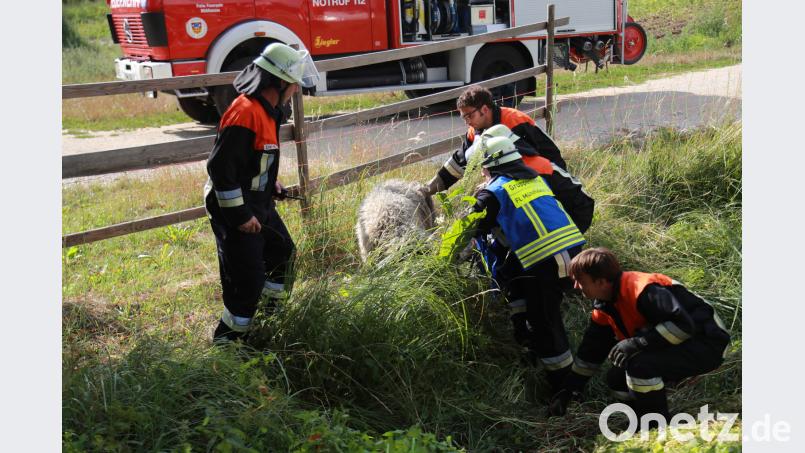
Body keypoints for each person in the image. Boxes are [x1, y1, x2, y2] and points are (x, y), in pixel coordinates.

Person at [445, 135, 587, 392]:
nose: (481, 172)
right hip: (570, 252)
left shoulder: (493, 192)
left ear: (488, 165)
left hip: (547, 258)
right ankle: (534, 352)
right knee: (537, 308)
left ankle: (565, 390)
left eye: (481, 167)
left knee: (546, 323)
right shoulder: (532, 178)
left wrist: (442, 259)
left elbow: (463, 232)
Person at [203, 42, 319, 343]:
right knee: (248, 281)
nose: (295, 90)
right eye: (293, 84)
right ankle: (228, 348)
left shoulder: (268, 111)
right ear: (279, 82)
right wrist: (240, 216)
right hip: (235, 209)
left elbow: (253, 160)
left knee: (283, 254)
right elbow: (220, 170)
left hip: (258, 202)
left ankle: (268, 325)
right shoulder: (246, 113)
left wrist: (271, 183)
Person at [549, 247, 731, 420]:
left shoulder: (643, 290)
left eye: (580, 281)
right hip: (684, 344)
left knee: (640, 366)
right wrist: (569, 389)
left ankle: (656, 426)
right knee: (616, 379)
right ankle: (640, 419)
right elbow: (591, 352)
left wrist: (638, 343)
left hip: (709, 344)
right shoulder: (605, 305)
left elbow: (683, 327)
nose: (576, 286)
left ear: (601, 282)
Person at [425, 85, 567, 196]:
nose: (467, 122)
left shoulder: (515, 121)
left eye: (469, 116)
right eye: (464, 118)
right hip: (513, 185)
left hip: (544, 182)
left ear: (485, 109)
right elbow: (459, 164)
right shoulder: (474, 131)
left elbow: (550, 154)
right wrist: (426, 190)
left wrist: (493, 185)